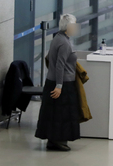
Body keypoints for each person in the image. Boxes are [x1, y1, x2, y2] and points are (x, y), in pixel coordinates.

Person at [35, 14, 81, 151]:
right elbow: (60, 65)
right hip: (63, 83)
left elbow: (49, 58)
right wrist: (59, 86)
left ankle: (53, 139)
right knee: (63, 113)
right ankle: (60, 140)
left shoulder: (57, 38)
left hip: (53, 80)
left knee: (53, 113)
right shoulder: (65, 43)